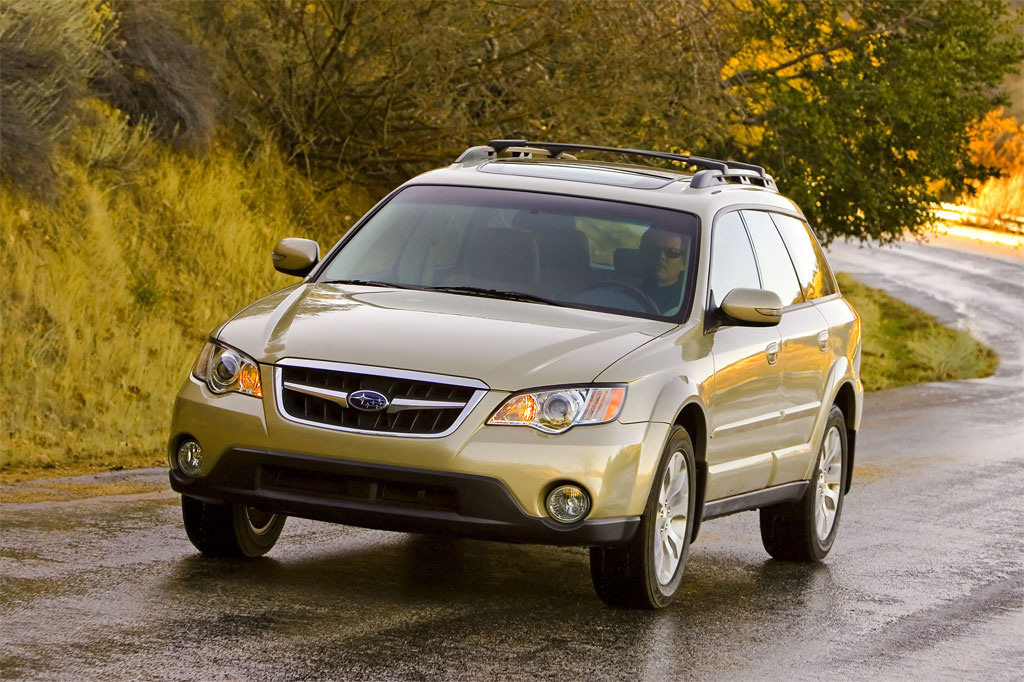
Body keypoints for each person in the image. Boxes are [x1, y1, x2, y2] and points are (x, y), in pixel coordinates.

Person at [638, 227, 688, 314]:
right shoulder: (621, 292)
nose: (661, 257)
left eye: (672, 252)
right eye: (654, 250)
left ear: (684, 263)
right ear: (643, 255)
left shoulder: (689, 302)